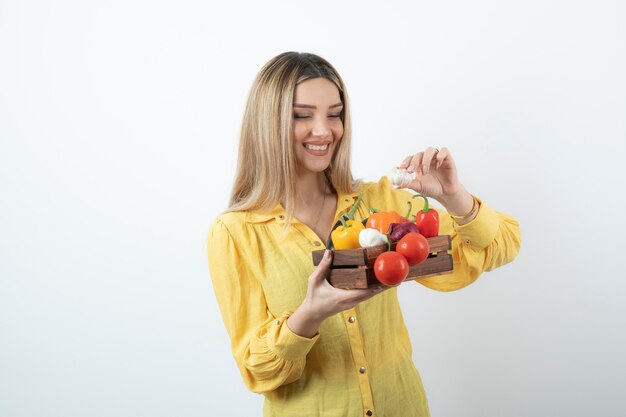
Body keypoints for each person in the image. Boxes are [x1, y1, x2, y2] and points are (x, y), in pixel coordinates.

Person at [207, 51, 521, 417]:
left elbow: (502, 244)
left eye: (335, 114)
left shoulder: (379, 203)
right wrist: (307, 317)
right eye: (302, 115)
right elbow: (257, 371)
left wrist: (452, 195)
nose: (324, 130)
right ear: (267, 123)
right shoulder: (234, 233)